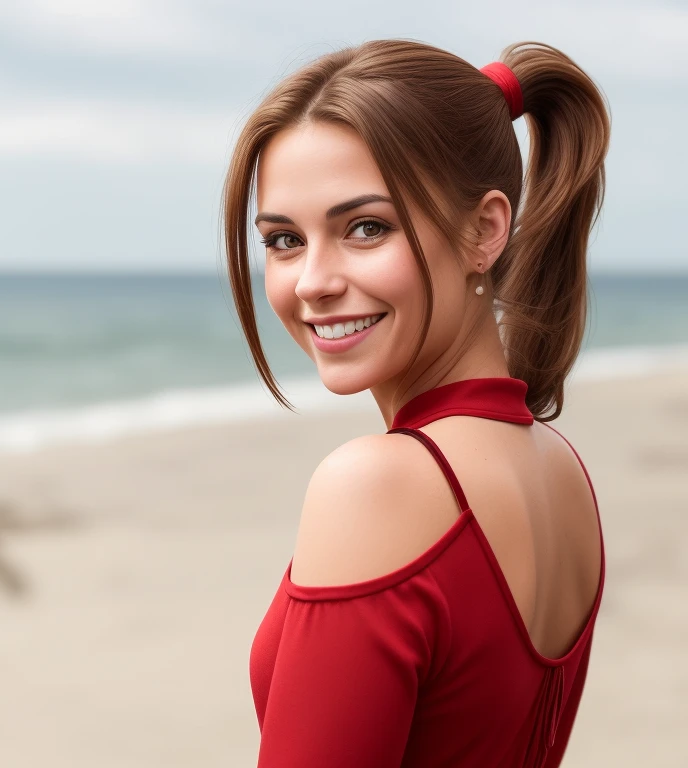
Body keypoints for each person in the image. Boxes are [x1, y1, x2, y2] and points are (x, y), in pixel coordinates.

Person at [221, 38, 610, 767]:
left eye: (366, 228)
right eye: (283, 239)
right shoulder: (561, 470)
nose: (312, 280)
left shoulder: (377, 485)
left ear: (484, 230)